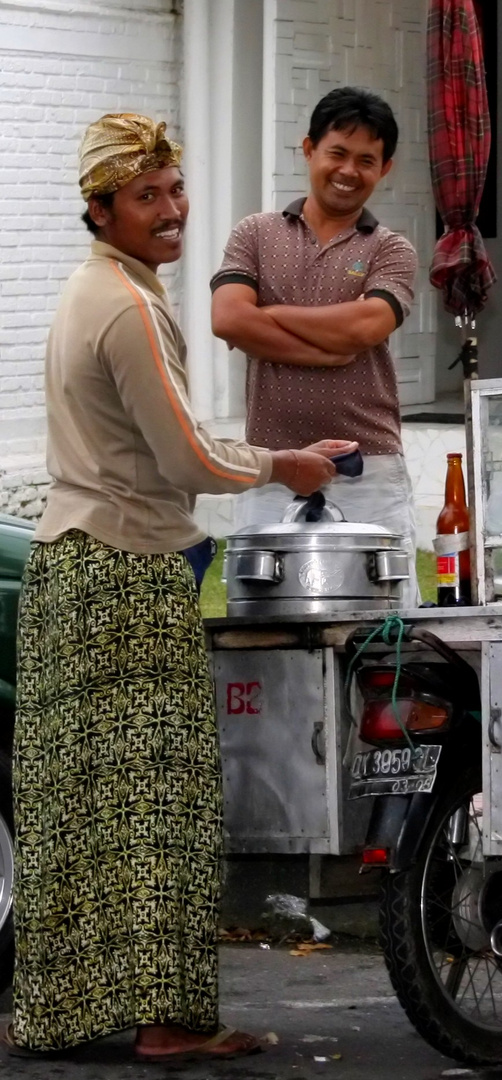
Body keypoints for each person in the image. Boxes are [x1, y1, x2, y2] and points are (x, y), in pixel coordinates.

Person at [2, 114, 355, 1062]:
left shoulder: (91, 291)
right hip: (125, 575)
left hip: (73, 568)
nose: (172, 211)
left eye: (174, 190)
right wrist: (285, 465)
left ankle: (56, 1012)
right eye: (146, 196)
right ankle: (167, 1023)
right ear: (100, 207)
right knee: (164, 802)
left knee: (76, 810)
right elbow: (186, 455)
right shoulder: (126, 304)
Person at [211, 87, 421, 604]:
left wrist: (274, 313)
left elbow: (365, 328)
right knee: (264, 619)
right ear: (308, 150)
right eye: (338, 153)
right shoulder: (255, 233)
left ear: (384, 168)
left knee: (387, 624)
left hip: (367, 467)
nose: (349, 171)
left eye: (366, 160)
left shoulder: (391, 248)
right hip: (270, 468)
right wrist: (329, 349)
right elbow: (228, 318)